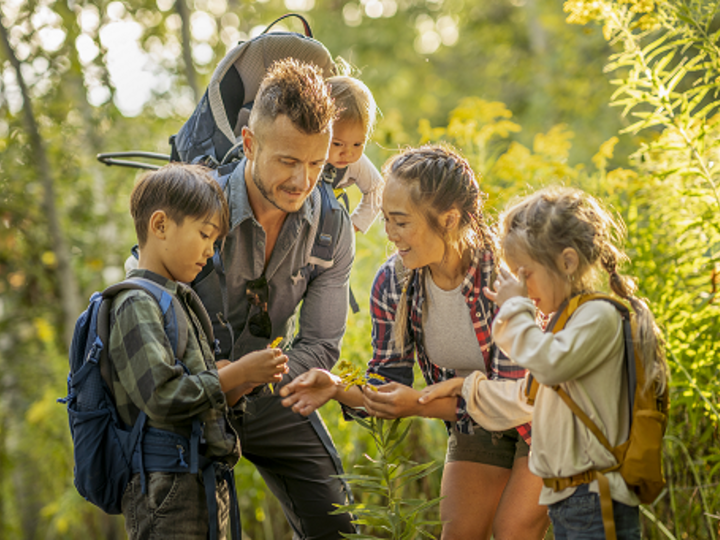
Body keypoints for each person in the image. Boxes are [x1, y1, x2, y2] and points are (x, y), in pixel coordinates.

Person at [281, 144, 550, 539]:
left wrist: (418, 408)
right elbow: (389, 384)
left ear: (449, 218)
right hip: (474, 420)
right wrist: (337, 387)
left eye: (401, 221)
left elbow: (512, 401)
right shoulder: (394, 282)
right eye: (386, 219)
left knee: (512, 530)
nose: (389, 234)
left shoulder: (502, 278)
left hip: (544, 417)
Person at [420, 186, 670, 539]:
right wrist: (466, 388)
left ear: (567, 262)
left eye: (526, 274)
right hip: (569, 497)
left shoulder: (598, 318)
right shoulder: (567, 322)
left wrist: (516, 308)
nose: (523, 289)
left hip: (597, 496)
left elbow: (549, 365)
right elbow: (531, 398)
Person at [191, 58, 357, 539]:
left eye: (316, 164)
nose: (302, 182)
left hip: (274, 392)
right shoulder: (195, 206)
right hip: (194, 395)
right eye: (287, 161)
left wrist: (256, 381)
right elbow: (149, 323)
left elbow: (322, 344)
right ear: (248, 144)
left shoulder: (332, 226)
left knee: (341, 526)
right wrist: (227, 380)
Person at [110, 163, 288, 539]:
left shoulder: (176, 300)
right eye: (205, 235)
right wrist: (235, 374)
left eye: (215, 240)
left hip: (199, 478)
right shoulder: (135, 304)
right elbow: (162, 397)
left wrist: (239, 383)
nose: (210, 251)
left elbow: (197, 394)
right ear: (160, 226)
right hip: (164, 488)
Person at [322, 75, 384, 233]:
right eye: (337, 144)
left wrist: (351, 227)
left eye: (358, 144)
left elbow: (377, 189)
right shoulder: (302, 153)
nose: (348, 153)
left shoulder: (354, 162)